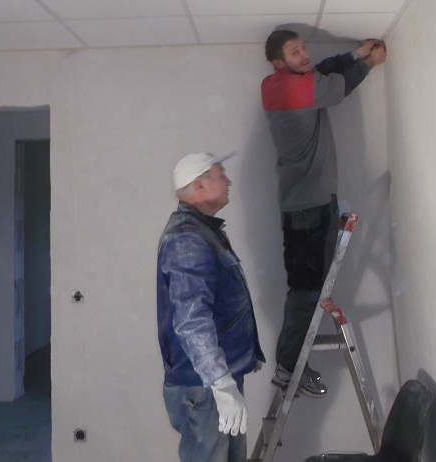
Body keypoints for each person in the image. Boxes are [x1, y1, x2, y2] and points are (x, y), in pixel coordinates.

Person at [261, 30, 387, 397]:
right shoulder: (291, 89)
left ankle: (288, 366)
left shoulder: (275, 84)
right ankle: (288, 369)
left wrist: (355, 54)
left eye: (303, 48)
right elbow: (337, 87)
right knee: (306, 291)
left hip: (307, 204)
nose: (304, 55)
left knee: (307, 289)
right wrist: (368, 62)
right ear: (278, 62)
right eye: (295, 52)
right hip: (309, 207)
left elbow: (321, 71)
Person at [157, 151, 265, 462]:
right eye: (221, 175)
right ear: (200, 186)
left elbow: (223, 305)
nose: (228, 181)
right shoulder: (188, 239)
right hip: (203, 387)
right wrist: (221, 383)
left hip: (215, 380)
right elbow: (192, 320)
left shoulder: (203, 231)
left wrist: (243, 354)